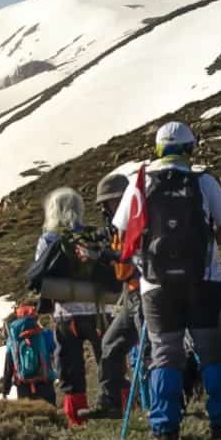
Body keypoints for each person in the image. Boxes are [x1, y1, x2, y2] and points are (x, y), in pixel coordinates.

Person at [112, 121, 221, 440]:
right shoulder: (203, 179)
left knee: (164, 355)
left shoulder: (139, 183)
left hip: (155, 287)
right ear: (189, 148)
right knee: (212, 352)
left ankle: (165, 430)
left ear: (157, 149)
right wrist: (204, 252)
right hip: (205, 281)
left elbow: (123, 234)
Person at [27, 187, 113, 423]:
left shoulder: (48, 239)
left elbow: (39, 275)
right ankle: (119, 407)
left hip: (67, 314)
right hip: (101, 310)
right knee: (109, 360)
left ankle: (77, 418)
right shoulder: (95, 235)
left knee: (70, 368)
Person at [94, 167, 141, 417]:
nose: (106, 208)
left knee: (150, 350)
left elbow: (131, 256)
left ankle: (156, 404)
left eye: (109, 201)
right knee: (111, 344)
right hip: (132, 294)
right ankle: (110, 403)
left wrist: (104, 254)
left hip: (145, 294)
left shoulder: (137, 221)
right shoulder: (117, 229)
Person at [1, 305, 60, 407]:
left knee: (28, 415)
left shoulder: (12, 340)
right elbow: (57, 354)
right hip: (45, 383)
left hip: (23, 386)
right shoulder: (46, 334)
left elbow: (8, 366)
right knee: (50, 414)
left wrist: (5, 391)